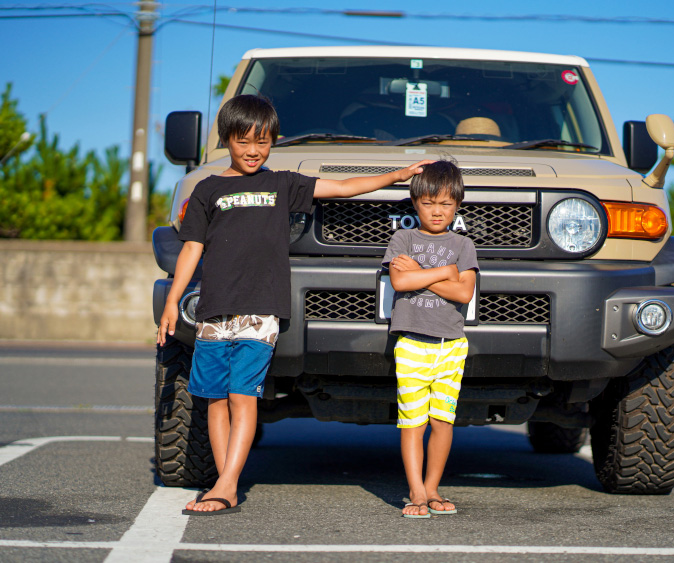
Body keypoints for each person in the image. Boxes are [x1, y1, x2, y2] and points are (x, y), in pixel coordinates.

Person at [157, 94, 433, 515]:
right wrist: (173, 301)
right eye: (244, 141)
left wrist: (398, 174)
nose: (253, 151)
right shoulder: (207, 189)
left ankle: (228, 483)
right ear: (226, 140)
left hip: (261, 308)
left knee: (241, 395)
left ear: (273, 142)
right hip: (214, 307)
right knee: (214, 398)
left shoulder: (282, 183)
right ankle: (221, 477)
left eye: (263, 141)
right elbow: (191, 248)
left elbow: (342, 188)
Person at [382, 160, 478, 518]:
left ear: (457, 205)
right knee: (413, 422)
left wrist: (421, 272)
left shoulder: (463, 245)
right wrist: (445, 274)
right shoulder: (403, 238)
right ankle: (417, 493)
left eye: (446, 204)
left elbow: (464, 294)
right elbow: (399, 283)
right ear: (414, 202)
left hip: (451, 346)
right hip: (412, 345)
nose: (437, 212)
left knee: (442, 422)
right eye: (428, 203)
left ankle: (434, 486)